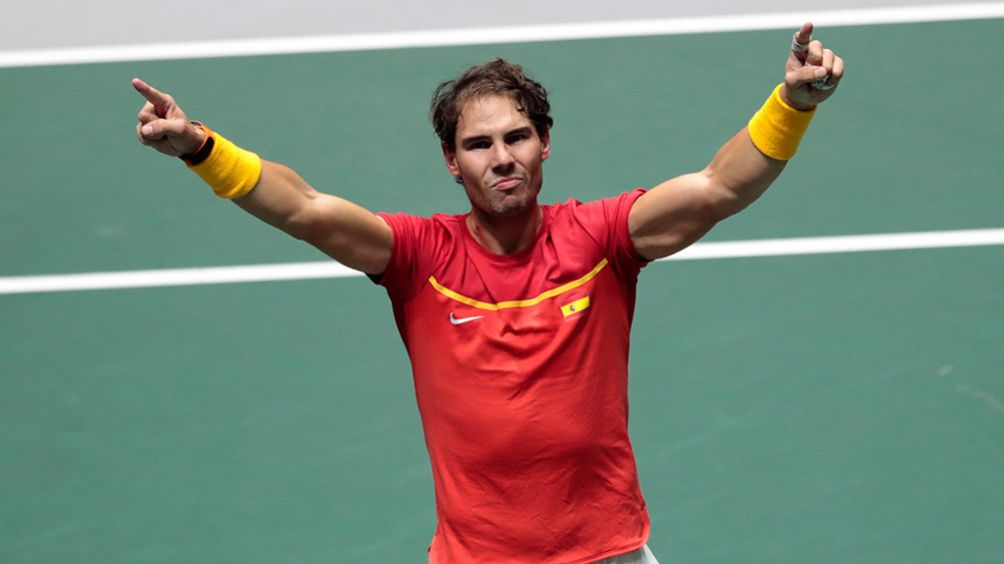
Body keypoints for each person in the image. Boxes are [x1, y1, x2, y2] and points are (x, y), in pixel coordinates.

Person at [133, 22, 843, 564]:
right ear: (451, 161)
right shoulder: (418, 257)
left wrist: (792, 103)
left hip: (609, 550)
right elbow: (304, 208)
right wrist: (200, 146)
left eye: (518, 137)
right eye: (478, 145)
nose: (502, 158)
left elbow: (718, 188)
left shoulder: (600, 239)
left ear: (544, 144)